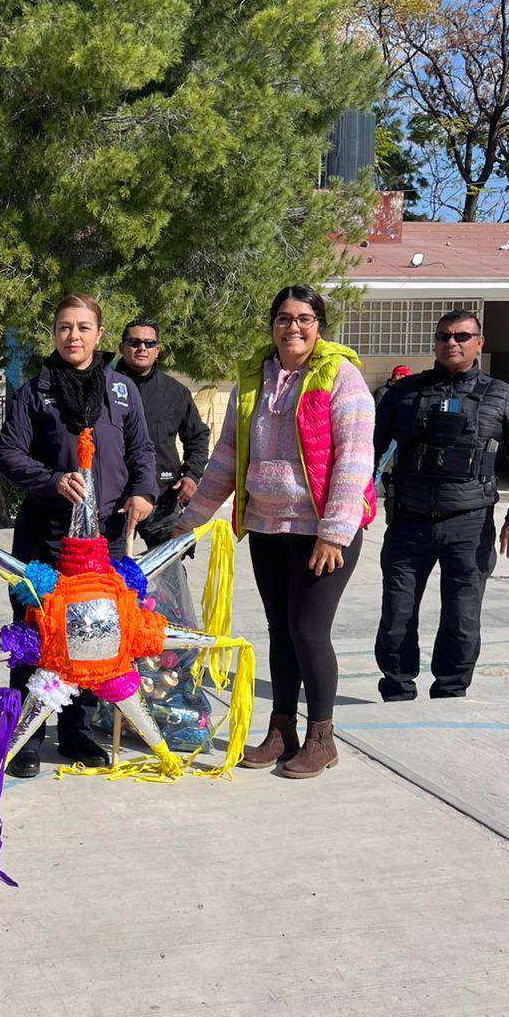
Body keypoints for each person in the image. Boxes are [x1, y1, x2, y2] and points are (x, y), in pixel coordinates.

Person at [178, 285, 376, 777]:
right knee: (280, 631)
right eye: (284, 318)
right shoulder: (255, 379)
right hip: (267, 526)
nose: (294, 327)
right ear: (272, 324)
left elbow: (354, 460)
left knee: (309, 631)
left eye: (304, 318)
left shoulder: (341, 377)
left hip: (321, 531)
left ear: (319, 325)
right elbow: (227, 456)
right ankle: (282, 729)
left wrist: (334, 533)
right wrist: (191, 521)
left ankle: (321, 737)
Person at [0, 294, 157, 777]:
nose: (74, 336)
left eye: (84, 328)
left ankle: (76, 733)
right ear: (54, 332)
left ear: (99, 335)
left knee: (93, 634)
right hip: (44, 539)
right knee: (35, 637)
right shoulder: (33, 391)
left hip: (102, 539)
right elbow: (8, 453)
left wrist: (144, 493)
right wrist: (51, 479)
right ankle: (24, 738)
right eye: (65, 327)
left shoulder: (121, 391)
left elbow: (142, 452)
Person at [374, 309, 509, 701]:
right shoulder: (405, 393)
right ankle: (397, 690)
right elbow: (366, 448)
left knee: (462, 618)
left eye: (462, 336)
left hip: (469, 526)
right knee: (397, 615)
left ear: (479, 343)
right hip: (407, 524)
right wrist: (356, 502)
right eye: (444, 336)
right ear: (435, 343)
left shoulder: (501, 397)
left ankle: (451, 692)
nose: (452, 343)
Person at [113, 318, 210, 548]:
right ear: (121, 348)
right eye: (134, 342)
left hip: (163, 497)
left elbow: (197, 436)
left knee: (170, 572)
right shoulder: (103, 388)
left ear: (158, 350)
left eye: (149, 343)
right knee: (107, 575)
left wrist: (192, 475)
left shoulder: (175, 392)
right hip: (113, 498)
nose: (142, 348)